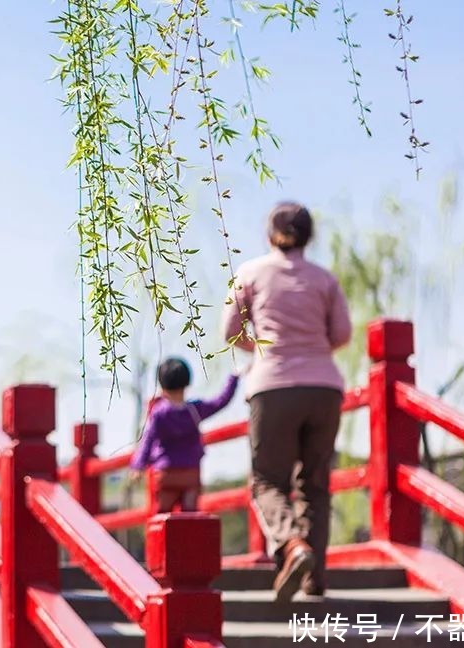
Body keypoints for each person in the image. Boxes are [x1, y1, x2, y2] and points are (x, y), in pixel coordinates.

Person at [220, 201, 352, 603]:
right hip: (324, 387)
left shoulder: (249, 273)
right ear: (309, 236)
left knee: (266, 481)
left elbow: (229, 332)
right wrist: (310, 350)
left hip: (272, 386)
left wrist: (262, 348)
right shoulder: (325, 280)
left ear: (269, 234)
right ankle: (315, 579)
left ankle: (292, 546)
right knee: (315, 484)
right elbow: (342, 335)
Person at [129, 357, 240, 513]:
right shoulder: (195, 410)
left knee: (162, 518)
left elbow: (148, 439)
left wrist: (138, 465)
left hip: (165, 473)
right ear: (187, 382)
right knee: (189, 517)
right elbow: (221, 401)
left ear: (162, 385)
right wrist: (234, 378)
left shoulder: (159, 413)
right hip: (190, 473)